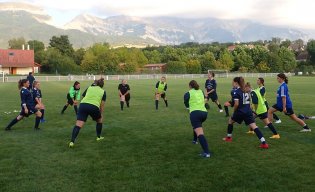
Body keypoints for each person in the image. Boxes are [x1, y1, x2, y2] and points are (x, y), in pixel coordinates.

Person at [223, 77, 269, 149]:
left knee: (230, 121)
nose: (232, 83)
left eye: (233, 82)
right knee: (254, 126)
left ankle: (229, 137)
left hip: (240, 111)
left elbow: (236, 104)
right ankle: (264, 142)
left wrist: (234, 111)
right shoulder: (245, 90)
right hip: (248, 111)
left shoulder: (236, 91)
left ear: (236, 83)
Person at [68, 78, 106, 148]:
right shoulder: (103, 91)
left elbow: (83, 96)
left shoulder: (90, 87)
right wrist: (100, 113)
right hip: (93, 106)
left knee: (78, 124)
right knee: (99, 120)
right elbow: (102, 104)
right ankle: (98, 137)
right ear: (102, 86)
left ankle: (72, 142)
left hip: (83, 105)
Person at [184, 80, 211, 158]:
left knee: (200, 133)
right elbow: (206, 99)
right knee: (196, 126)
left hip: (195, 114)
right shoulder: (201, 91)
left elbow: (186, 103)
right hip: (204, 113)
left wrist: (189, 107)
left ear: (190, 86)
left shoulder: (188, 93)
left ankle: (206, 153)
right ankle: (194, 140)